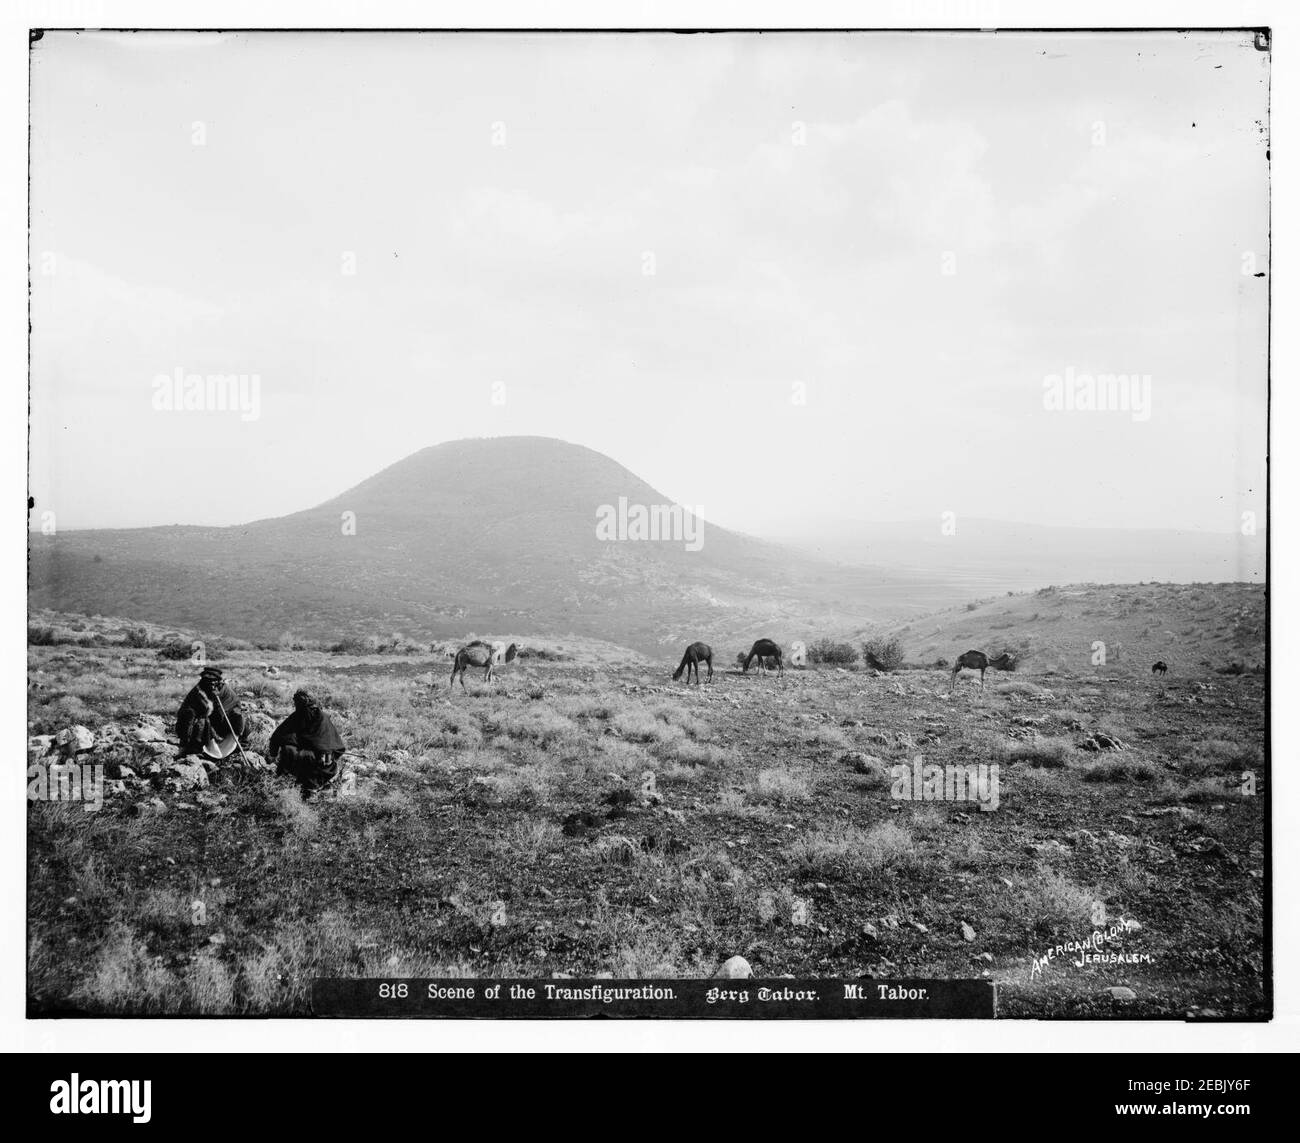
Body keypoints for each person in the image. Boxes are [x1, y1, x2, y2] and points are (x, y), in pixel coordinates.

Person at [268, 689, 346, 791]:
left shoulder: (321, 718)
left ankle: (311, 787)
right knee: (288, 750)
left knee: (314, 759)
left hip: (321, 756)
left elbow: (327, 745)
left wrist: (327, 761)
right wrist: (273, 755)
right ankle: (286, 780)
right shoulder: (297, 716)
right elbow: (279, 735)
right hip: (303, 751)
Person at [175, 667, 247, 756]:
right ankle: (195, 747)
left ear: (218, 681)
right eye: (207, 680)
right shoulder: (197, 692)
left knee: (238, 718)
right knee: (196, 720)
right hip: (204, 724)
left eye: (213, 680)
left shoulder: (225, 691)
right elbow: (187, 709)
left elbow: (233, 704)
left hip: (223, 721)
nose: (211, 683)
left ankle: (238, 745)